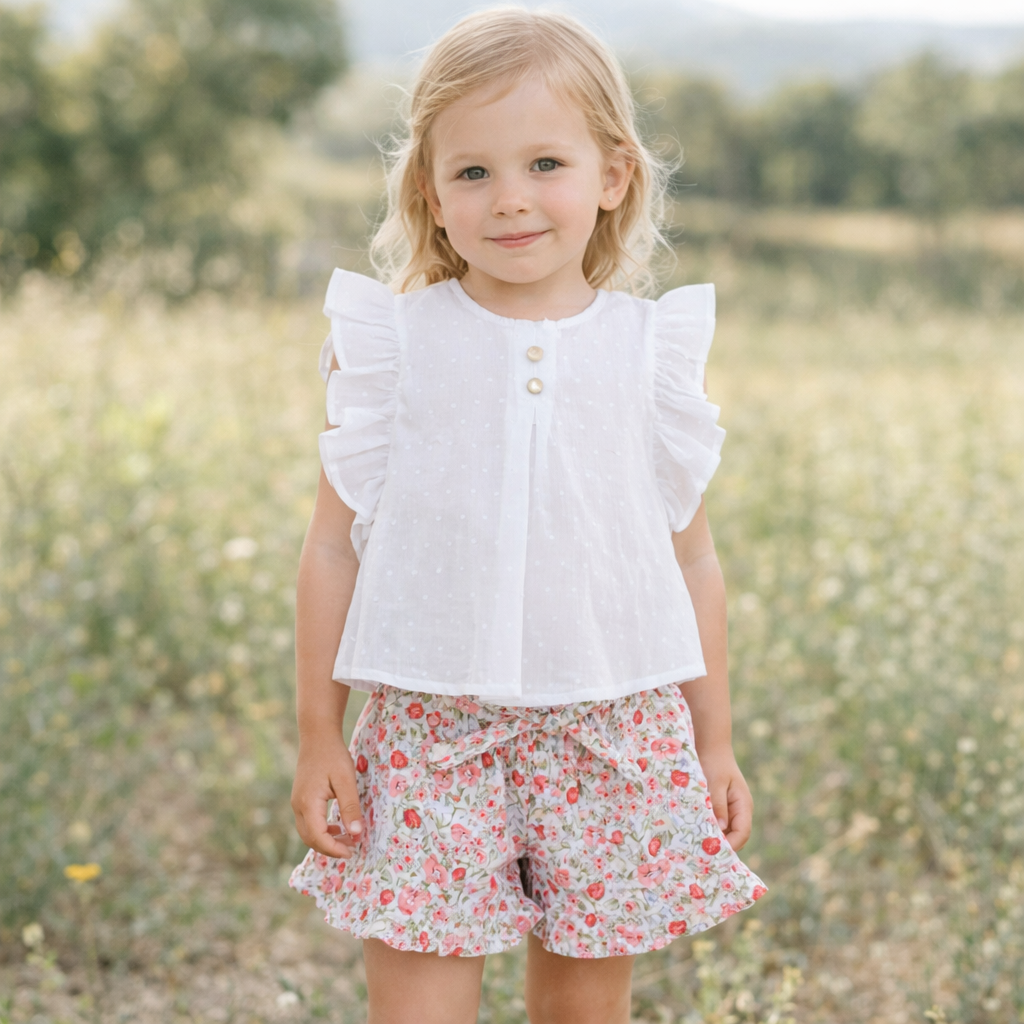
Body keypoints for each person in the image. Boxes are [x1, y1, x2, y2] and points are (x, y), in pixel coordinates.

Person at [288, 9, 766, 1023]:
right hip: (429, 731)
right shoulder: (393, 348)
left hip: (614, 725)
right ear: (429, 189)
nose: (509, 200)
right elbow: (332, 545)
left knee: (585, 1011)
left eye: (544, 162)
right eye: (472, 173)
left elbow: (692, 563)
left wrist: (712, 741)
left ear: (612, 175)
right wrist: (318, 733)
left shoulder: (649, 354)